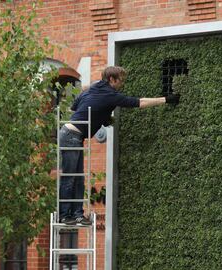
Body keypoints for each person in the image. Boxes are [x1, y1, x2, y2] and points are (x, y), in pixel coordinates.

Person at [59, 66, 180, 225]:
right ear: (111, 79)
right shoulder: (110, 94)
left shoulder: (94, 88)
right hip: (71, 136)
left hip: (73, 135)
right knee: (70, 177)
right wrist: (166, 99)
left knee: (78, 178)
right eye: (120, 80)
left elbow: (75, 107)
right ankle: (64, 215)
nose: (122, 83)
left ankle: (77, 214)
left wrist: (101, 114)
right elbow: (140, 102)